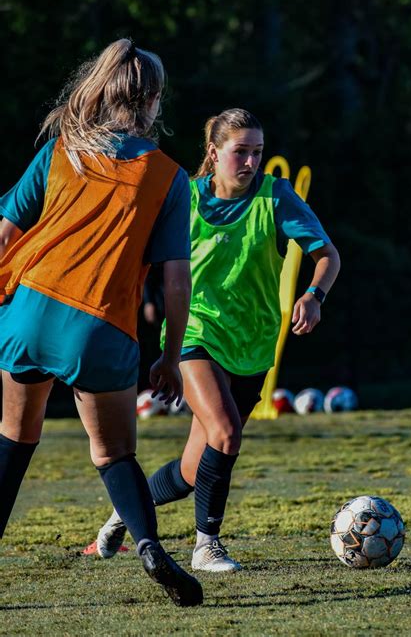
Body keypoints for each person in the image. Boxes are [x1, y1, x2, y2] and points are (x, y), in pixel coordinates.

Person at [0, 39, 203, 607]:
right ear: (154, 100)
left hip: (30, 309)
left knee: (14, 442)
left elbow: (4, 235)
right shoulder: (167, 177)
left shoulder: (64, 149)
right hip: (99, 324)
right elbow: (175, 281)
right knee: (113, 454)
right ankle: (148, 547)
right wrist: (170, 353)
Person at [95, 107, 341, 572]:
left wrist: (314, 294)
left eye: (258, 152)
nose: (250, 162)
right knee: (226, 434)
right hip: (194, 334)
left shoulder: (276, 196)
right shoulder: (181, 198)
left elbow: (328, 255)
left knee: (193, 470)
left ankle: (126, 509)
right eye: (240, 152)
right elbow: (139, 259)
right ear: (214, 153)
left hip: (252, 342)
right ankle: (206, 545)